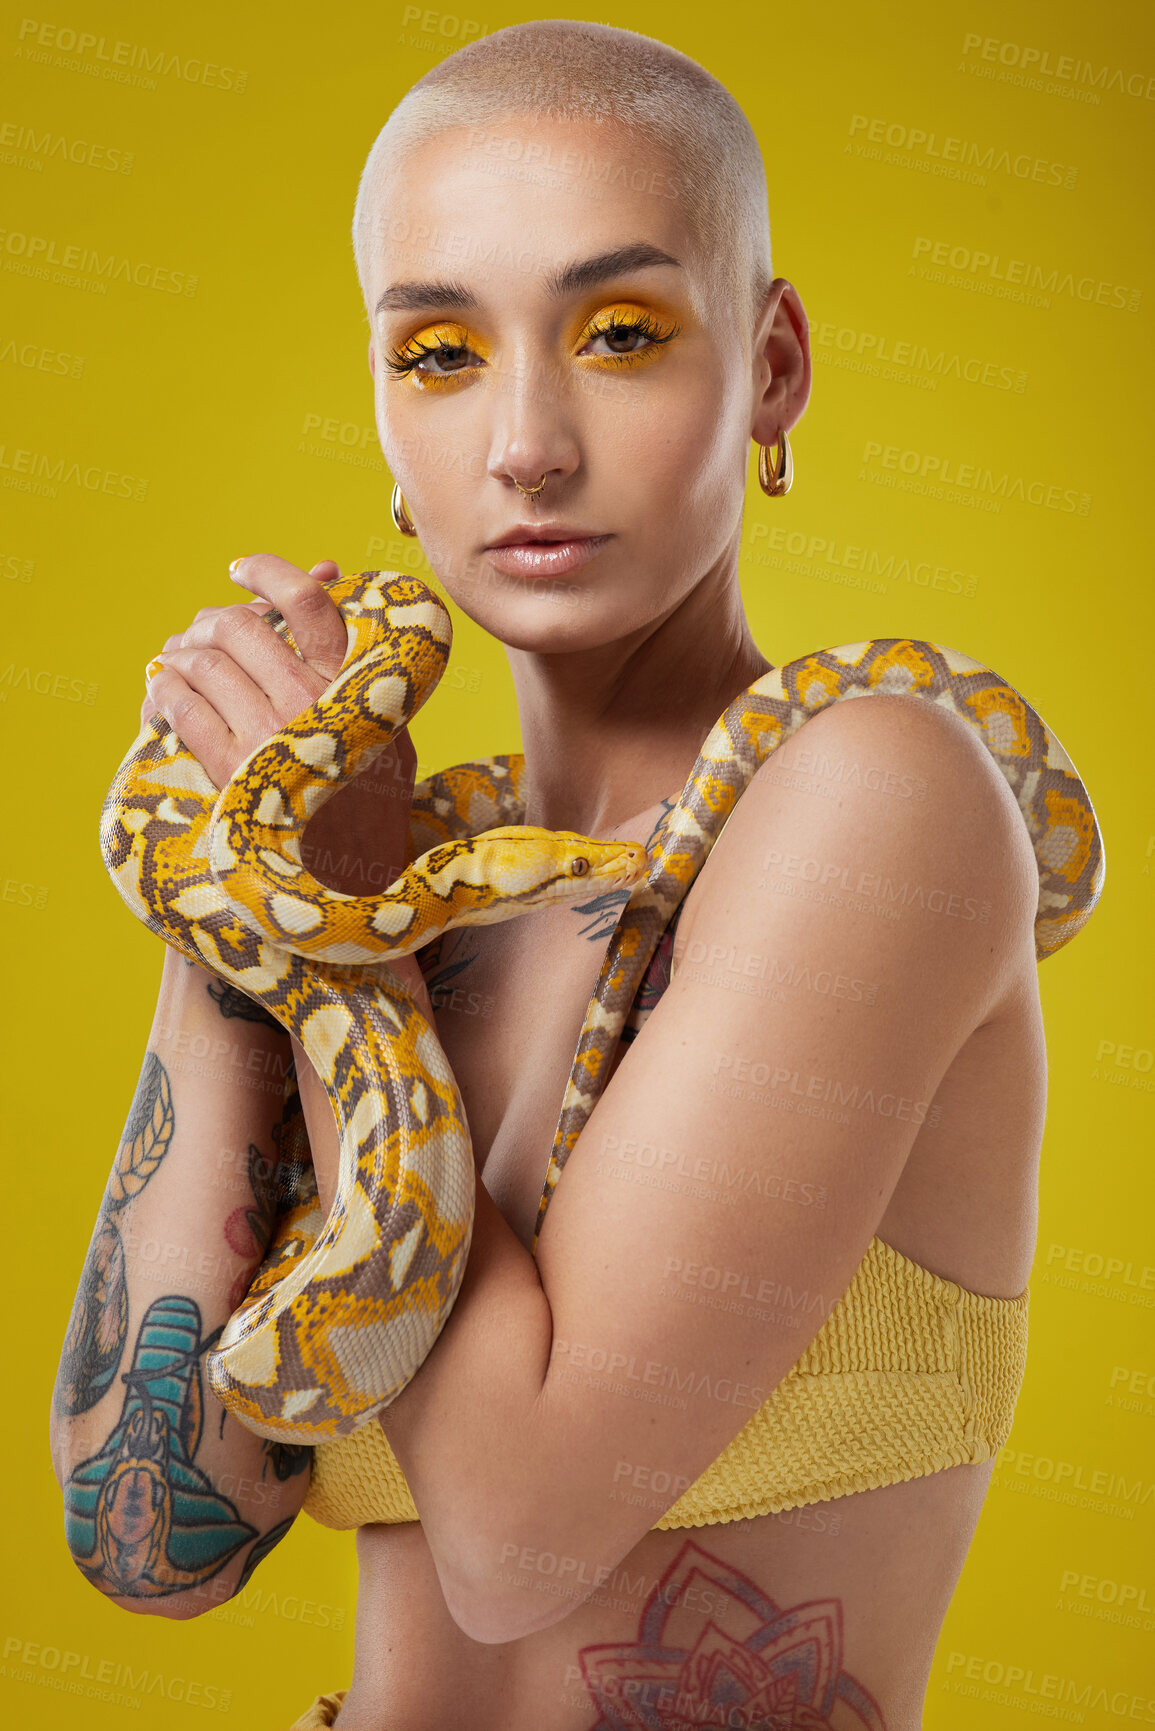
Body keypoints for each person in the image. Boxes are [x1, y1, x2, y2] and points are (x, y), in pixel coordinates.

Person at [50, 20, 1102, 1731]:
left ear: (768, 368)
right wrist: (229, 894)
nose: (527, 443)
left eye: (620, 334)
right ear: (386, 409)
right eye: (443, 353)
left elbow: (519, 1538)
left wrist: (321, 917)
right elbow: (153, 1541)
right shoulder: (401, 869)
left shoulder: (877, 790)